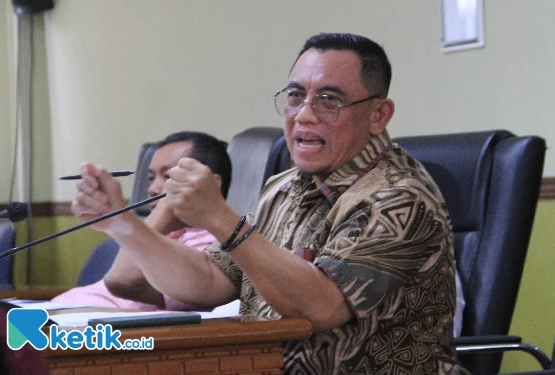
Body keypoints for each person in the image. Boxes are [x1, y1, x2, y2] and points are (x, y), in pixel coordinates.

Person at [72, 33, 457, 374]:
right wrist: (119, 223)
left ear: (378, 114)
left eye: (328, 100)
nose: (304, 115)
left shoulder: (397, 198)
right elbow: (209, 281)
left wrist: (221, 218)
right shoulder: (285, 186)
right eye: (295, 97)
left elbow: (320, 308)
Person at [53, 131, 232, 311]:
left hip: (101, 335)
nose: (153, 189)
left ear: (211, 184)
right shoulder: (158, 231)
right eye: (151, 178)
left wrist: (162, 211)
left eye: (168, 177)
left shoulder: (214, 240)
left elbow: (122, 279)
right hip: (53, 320)